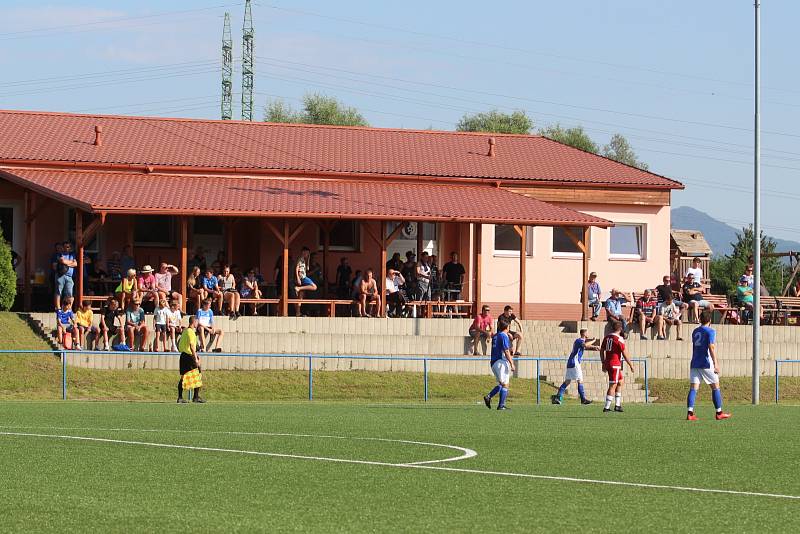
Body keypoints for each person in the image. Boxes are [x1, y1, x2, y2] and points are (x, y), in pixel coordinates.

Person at [687, 311, 731, 421]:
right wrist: (716, 363)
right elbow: (711, 347)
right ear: (710, 320)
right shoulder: (711, 331)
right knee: (715, 387)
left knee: (693, 388)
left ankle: (690, 413)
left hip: (695, 362)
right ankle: (719, 413)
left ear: (700, 319)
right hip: (706, 362)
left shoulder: (695, 331)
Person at [551, 329, 600, 405]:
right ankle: (583, 399)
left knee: (567, 381)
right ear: (584, 334)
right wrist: (594, 341)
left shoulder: (579, 341)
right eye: (587, 332)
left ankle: (558, 397)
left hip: (570, 362)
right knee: (580, 380)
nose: (588, 334)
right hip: (575, 363)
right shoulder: (580, 340)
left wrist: (594, 347)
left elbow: (585, 347)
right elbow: (585, 345)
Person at [600, 320, 634, 413]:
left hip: (609, 363)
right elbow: (625, 353)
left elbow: (601, 350)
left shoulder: (607, 337)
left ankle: (617, 405)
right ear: (621, 329)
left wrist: (603, 362)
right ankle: (606, 407)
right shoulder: (619, 339)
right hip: (615, 364)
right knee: (613, 385)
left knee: (620, 382)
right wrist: (630, 364)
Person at [483, 320, 515, 411]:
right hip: (500, 362)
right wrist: (512, 363)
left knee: (503, 384)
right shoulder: (504, 335)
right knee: (504, 384)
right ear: (507, 327)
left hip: (494, 363)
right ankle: (496, 402)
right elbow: (506, 350)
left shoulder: (496, 335)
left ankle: (496, 402)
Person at [177, 316, 205, 403]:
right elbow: (192, 346)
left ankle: (180, 397)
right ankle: (195, 397)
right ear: (194, 322)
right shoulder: (191, 332)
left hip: (183, 356)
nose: (197, 324)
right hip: (189, 356)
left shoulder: (185, 331)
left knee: (183, 377)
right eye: (197, 322)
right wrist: (195, 358)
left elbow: (180, 343)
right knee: (198, 374)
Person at [53, 241, 77, 310]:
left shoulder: (72, 255)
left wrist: (67, 263)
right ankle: (58, 308)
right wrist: (70, 263)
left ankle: (66, 308)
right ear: (63, 247)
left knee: (69, 293)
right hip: (60, 275)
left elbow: (76, 264)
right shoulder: (60, 254)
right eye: (65, 247)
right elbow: (63, 261)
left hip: (70, 276)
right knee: (58, 292)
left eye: (68, 247)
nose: (67, 248)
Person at [294, 247, 317, 316]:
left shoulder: (304, 260)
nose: (307, 254)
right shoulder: (300, 259)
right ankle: (298, 288)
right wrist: (297, 278)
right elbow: (297, 268)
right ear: (303, 252)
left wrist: (308, 260)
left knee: (300, 297)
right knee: (314, 287)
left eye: (308, 253)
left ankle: (298, 312)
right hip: (302, 277)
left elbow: (307, 268)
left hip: (302, 276)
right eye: (307, 253)